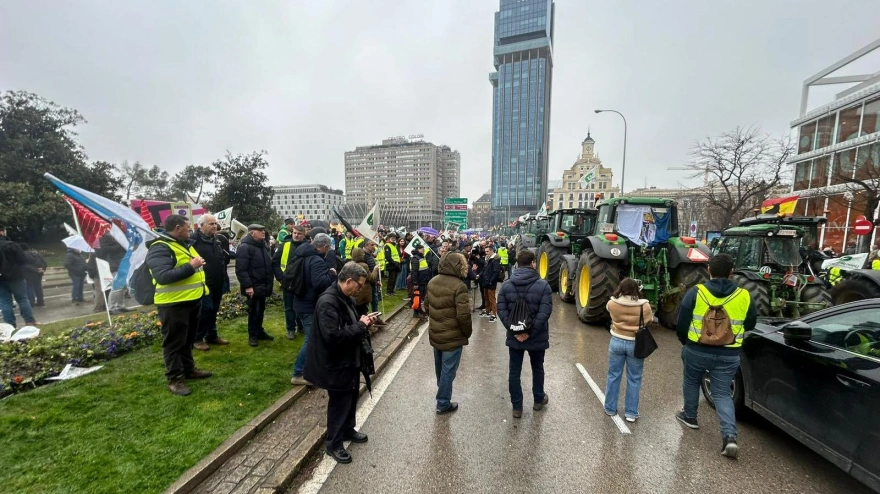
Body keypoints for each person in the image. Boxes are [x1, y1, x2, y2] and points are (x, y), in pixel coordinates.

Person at [676, 253, 756, 458]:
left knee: (692, 382)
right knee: (721, 392)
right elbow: (751, 324)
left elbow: (682, 321)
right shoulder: (744, 295)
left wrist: (685, 341)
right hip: (729, 353)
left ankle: (690, 417)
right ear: (732, 271)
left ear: (709, 269)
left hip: (696, 349)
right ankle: (729, 436)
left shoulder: (696, 292)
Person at [303, 262, 377, 464]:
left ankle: (347, 430)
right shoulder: (328, 302)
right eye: (359, 285)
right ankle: (333, 444)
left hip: (348, 358)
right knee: (340, 402)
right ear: (349, 281)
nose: (361, 289)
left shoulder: (345, 297)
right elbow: (333, 336)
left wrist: (362, 320)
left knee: (351, 396)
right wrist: (361, 326)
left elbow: (348, 325)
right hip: (335, 362)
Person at [145, 215, 212, 396]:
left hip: (191, 301)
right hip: (173, 304)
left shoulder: (183, 244)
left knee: (187, 340)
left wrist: (196, 265)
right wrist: (192, 266)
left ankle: (189, 369)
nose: (190, 230)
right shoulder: (160, 247)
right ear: (177, 227)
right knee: (174, 343)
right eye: (187, 227)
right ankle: (175, 379)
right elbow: (163, 276)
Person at [497, 249, 552, 419]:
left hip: (515, 337)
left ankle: (517, 407)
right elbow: (545, 312)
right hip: (537, 336)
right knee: (537, 368)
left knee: (514, 371)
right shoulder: (543, 286)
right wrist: (531, 332)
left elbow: (501, 310)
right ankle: (538, 400)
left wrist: (515, 330)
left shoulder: (507, 285)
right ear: (533, 263)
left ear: (517, 264)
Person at [426, 252, 472, 414]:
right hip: (453, 337)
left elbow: (427, 306)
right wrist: (467, 333)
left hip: (436, 333)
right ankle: (443, 401)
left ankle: (442, 393)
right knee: (448, 370)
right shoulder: (459, 286)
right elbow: (464, 315)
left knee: (440, 368)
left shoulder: (432, 282)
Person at [604, 278, 653, 423]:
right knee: (634, 378)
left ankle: (610, 408)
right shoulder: (644, 306)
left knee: (613, 375)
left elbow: (609, 313)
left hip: (616, 341)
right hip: (635, 344)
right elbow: (649, 321)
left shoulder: (612, 303)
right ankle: (631, 413)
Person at [291, 233, 336, 386]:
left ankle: (315, 367)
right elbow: (319, 283)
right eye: (328, 247)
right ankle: (298, 373)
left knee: (315, 338)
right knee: (310, 340)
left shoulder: (303, 255)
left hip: (301, 302)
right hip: (309, 305)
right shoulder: (316, 260)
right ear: (324, 247)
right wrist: (331, 274)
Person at [191, 214, 230, 351]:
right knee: (206, 310)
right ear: (201, 226)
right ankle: (197, 338)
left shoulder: (216, 240)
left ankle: (212, 335)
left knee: (213, 309)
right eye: (211, 224)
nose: (215, 226)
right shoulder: (193, 240)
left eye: (215, 223)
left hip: (217, 281)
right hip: (203, 282)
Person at [235, 224, 275, 347]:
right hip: (253, 286)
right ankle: (252, 335)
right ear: (252, 233)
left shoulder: (263, 245)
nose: (263, 232)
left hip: (263, 285)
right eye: (260, 231)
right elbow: (241, 269)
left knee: (261, 310)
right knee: (254, 311)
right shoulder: (245, 247)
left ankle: (259, 331)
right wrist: (248, 286)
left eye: (264, 230)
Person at [273, 224, 309, 339]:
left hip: (302, 282)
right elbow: (274, 262)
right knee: (289, 307)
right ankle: (290, 329)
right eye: (294, 233)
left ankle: (301, 326)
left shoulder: (308, 247)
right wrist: (280, 277)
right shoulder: (285, 245)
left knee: (301, 306)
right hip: (287, 281)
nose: (296, 235)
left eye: (299, 234)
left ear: (304, 235)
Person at [0, 227, 39, 327]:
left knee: (5, 302)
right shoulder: (12, 245)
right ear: (2, 232)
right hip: (15, 276)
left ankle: (10, 325)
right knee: (22, 299)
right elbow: (23, 259)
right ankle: (30, 321)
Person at [99, 232, 131, 315]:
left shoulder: (120, 234)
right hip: (115, 264)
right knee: (117, 286)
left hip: (123, 262)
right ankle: (112, 307)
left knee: (123, 286)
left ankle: (120, 305)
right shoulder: (106, 236)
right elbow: (104, 249)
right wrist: (119, 245)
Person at [350, 247, 380, 316]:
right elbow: (371, 278)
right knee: (363, 311)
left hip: (353, 292)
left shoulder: (350, 264)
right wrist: (375, 270)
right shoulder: (364, 265)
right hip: (363, 292)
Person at [480, 245, 501, 322]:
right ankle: (488, 311)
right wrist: (479, 275)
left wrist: (491, 281)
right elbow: (484, 269)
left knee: (492, 299)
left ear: (492, 251)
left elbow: (496, 272)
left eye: (487, 251)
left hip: (491, 283)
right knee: (486, 298)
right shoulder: (487, 259)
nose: (486, 253)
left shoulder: (495, 260)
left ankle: (494, 315)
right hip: (486, 282)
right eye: (485, 252)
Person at [409, 243, 430, 319]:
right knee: (417, 297)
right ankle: (416, 312)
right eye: (422, 249)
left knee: (420, 297)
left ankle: (419, 310)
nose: (423, 250)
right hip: (419, 282)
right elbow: (414, 272)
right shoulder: (415, 259)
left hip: (423, 281)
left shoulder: (421, 257)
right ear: (418, 250)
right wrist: (415, 283)